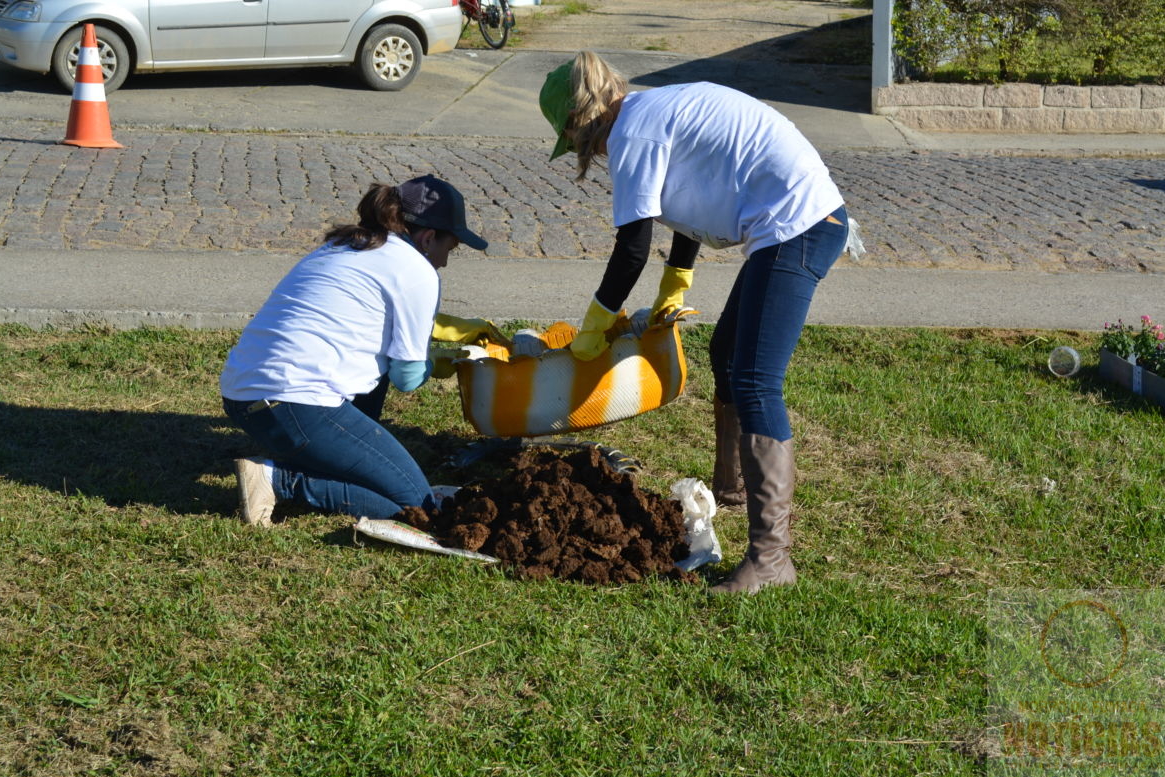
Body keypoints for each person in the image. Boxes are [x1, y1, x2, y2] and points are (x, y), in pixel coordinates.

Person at [539, 51, 851, 594]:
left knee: (756, 380)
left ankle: (772, 557)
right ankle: (732, 490)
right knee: (727, 354)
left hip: (799, 225)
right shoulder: (651, 112)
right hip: (798, 221)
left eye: (579, 146)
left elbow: (632, 247)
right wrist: (675, 283)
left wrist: (594, 326)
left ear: (580, 125)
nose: (590, 155)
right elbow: (684, 202)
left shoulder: (633, 132)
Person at [220, 175, 504, 526]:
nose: (445, 261)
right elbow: (407, 378)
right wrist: (441, 363)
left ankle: (329, 455)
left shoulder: (346, 244)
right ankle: (279, 480)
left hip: (242, 397)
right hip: (296, 405)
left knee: (376, 458)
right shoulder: (418, 271)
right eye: (450, 248)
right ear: (428, 238)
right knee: (418, 506)